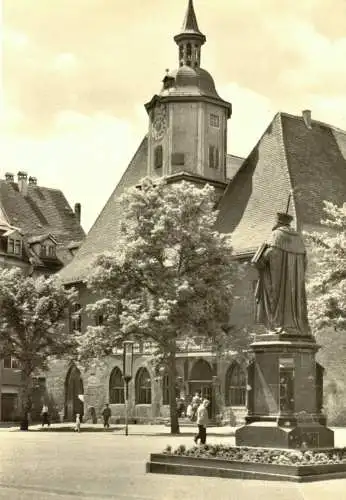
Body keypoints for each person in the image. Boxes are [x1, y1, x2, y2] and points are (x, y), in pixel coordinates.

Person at [252, 212, 310, 336]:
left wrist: (259, 259)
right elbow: (305, 263)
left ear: (278, 222)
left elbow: (267, 257)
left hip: (278, 285)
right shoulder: (298, 239)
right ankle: (295, 326)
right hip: (294, 289)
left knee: (275, 300)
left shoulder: (275, 235)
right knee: (293, 303)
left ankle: (278, 324)